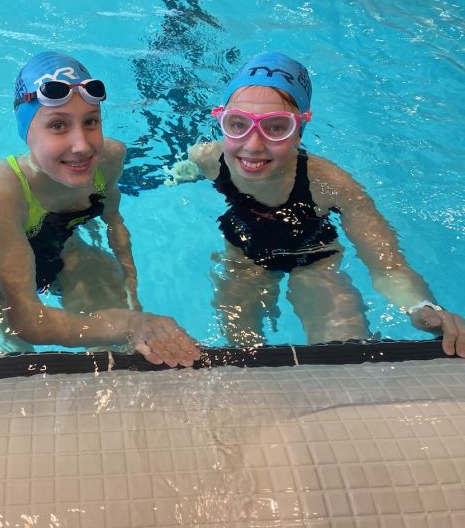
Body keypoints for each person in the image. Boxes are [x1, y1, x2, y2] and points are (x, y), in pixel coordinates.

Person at [181, 51, 464, 354]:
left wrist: (421, 306)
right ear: (222, 120)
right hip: (243, 258)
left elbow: (388, 266)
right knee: (242, 350)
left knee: (345, 348)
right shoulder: (208, 158)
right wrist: (178, 176)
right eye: (238, 124)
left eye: (276, 127)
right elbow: (183, 171)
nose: (253, 145)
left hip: (315, 260)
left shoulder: (331, 185)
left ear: (299, 131)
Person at [0, 51, 200, 367]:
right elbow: (27, 320)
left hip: (64, 244)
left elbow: (113, 220)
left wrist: (133, 299)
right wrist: (130, 322)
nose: (83, 146)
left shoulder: (109, 157)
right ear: (27, 132)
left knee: (117, 327)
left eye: (90, 121)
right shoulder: (1, 188)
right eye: (58, 125)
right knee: (16, 342)